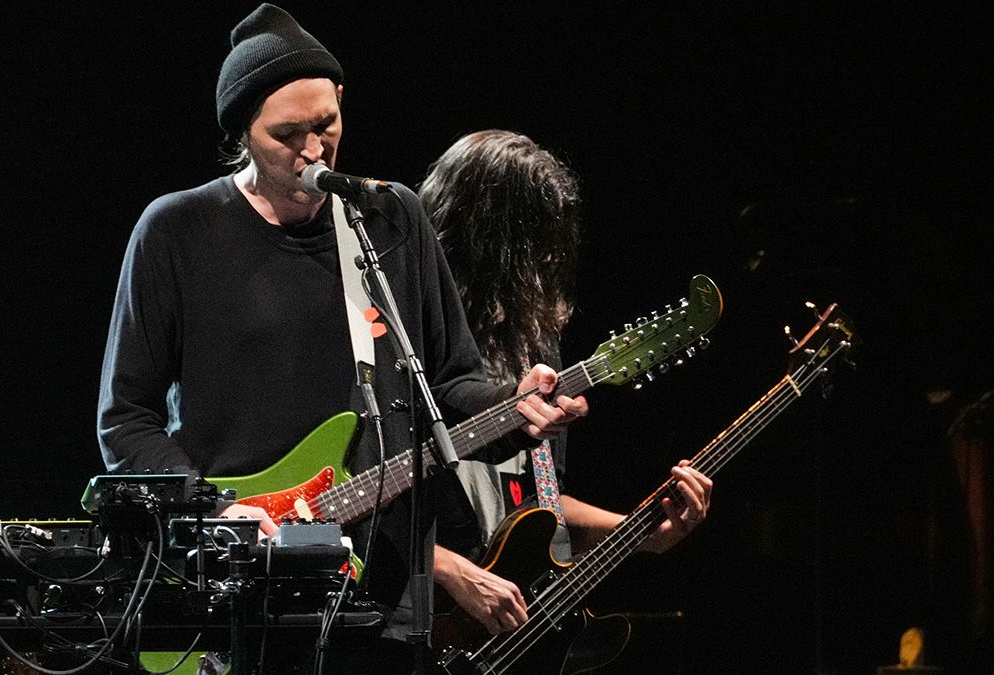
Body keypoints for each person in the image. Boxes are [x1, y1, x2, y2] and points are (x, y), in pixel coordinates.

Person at [96, 6, 586, 670]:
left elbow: (449, 384)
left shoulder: (391, 217)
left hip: (382, 592)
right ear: (244, 130)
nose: (312, 151)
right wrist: (215, 512)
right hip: (237, 589)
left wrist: (517, 405)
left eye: (325, 125)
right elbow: (125, 420)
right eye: (286, 134)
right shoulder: (175, 232)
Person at [419, 130, 713, 636]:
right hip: (415, 628)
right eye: (535, 238)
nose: (551, 257)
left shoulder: (535, 351)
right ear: (484, 235)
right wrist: (446, 567)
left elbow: (539, 511)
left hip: (496, 637)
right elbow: (349, 498)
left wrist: (639, 533)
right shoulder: (406, 339)